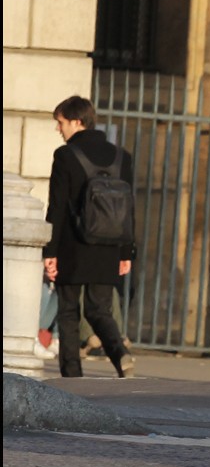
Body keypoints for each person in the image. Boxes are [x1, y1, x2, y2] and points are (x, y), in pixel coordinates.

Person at [42, 96, 135, 378]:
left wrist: (50, 252)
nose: (59, 129)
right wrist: (126, 253)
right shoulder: (122, 157)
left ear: (76, 121)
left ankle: (72, 376)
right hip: (108, 245)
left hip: (73, 245)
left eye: (60, 122)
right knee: (99, 309)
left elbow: (57, 207)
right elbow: (130, 209)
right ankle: (120, 355)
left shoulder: (65, 156)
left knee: (69, 312)